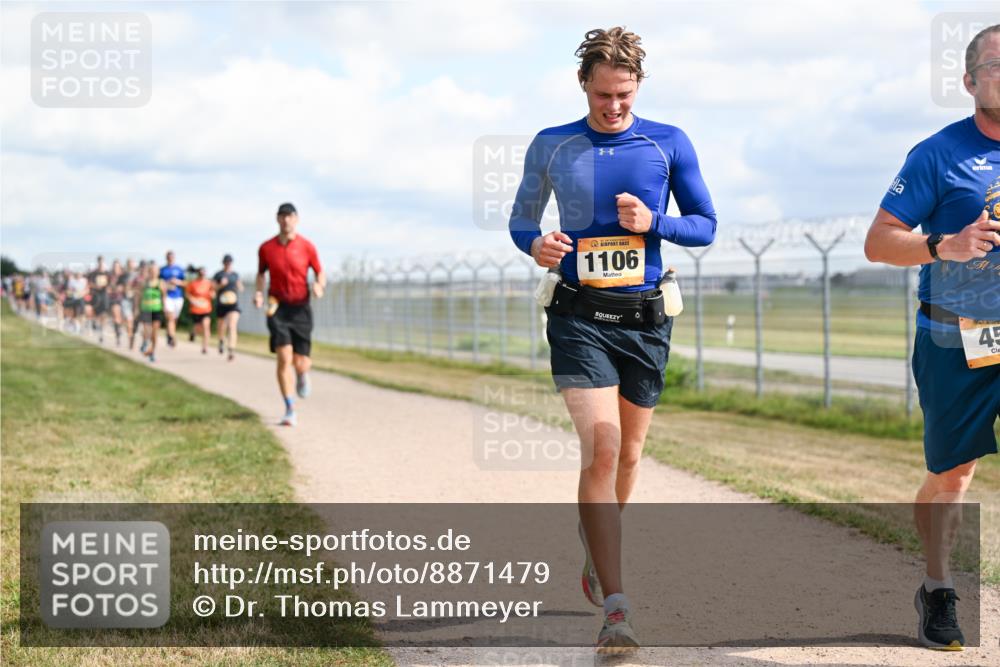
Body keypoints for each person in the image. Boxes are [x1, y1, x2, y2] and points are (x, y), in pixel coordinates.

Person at [508, 27, 716, 653]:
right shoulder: (552, 144)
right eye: (603, 95)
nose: (614, 106)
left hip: (645, 320)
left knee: (629, 456)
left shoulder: (667, 143)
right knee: (603, 447)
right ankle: (618, 609)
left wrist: (656, 222)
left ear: (638, 87)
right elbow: (521, 218)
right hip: (578, 316)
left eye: (624, 95)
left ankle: (598, 544)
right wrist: (535, 244)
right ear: (583, 85)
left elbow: (705, 225)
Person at [864, 24, 1000, 651]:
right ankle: (938, 586)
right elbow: (878, 241)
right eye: (995, 65)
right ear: (969, 81)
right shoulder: (938, 154)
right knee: (953, 474)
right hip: (956, 338)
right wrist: (944, 245)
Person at [255, 203, 325, 426]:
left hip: (301, 308)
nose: (286, 220)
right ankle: (289, 408)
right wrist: (259, 293)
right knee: (284, 357)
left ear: (296, 219)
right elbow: (260, 274)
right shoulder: (266, 248)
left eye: (290, 216)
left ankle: (302, 374)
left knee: (301, 362)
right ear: (277, 219)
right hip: (278, 307)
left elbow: (320, 272)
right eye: (282, 216)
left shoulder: (307, 246)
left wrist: (319, 286)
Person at [213, 254, 242, 361]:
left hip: (233, 304)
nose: (228, 264)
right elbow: (213, 288)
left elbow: (241, 287)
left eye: (229, 262)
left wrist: (239, 287)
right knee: (222, 326)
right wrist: (221, 285)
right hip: (222, 304)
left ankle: (231, 349)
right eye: (226, 262)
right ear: (223, 263)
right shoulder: (218, 274)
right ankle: (221, 341)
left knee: (232, 325)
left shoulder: (235, 275)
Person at [138, 262, 166, 362]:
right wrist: (137, 308)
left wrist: (164, 308)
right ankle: (145, 342)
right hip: (146, 309)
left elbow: (164, 296)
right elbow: (139, 295)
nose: (153, 273)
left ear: (158, 272)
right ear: (149, 272)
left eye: (155, 271)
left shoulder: (160, 283)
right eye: (151, 271)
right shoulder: (144, 283)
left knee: (154, 333)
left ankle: (152, 352)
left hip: (156, 310)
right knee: (146, 331)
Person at [159, 250, 186, 348]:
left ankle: (169, 334)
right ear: (166, 258)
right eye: (168, 257)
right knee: (170, 317)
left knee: (174, 319)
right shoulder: (162, 270)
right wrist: (166, 285)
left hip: (178, 297)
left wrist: (177, 282)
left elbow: (185, 283)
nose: (170, 259)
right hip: (167, 296)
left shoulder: (179, 269)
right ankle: (172, 338)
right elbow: (159, 283)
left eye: (172, 257)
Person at [185, 267, 215, 354]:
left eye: (204, 273)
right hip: (196, 309)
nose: (202, 275)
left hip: (206, 308)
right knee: (198, 327)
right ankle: (193, 333)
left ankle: (205, 347)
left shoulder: (209, 283)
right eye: (201, 273)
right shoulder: (193, 283)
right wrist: (192, 300)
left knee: (206, 326)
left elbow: (213, 293)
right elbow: (187, 294)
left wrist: (212, 295)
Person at [87, 256, 112, 343]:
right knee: (96, 313)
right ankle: (95, 323)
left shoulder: (107, 273)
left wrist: (108, 288)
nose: (101, 263)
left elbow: (110, 284)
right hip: (96, 295)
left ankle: (101, 331)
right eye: (99, 262)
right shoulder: (93, 273)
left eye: (102, 262)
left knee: (104, 313)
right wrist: (96, 286)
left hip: (104, 295)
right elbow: (89, 283)